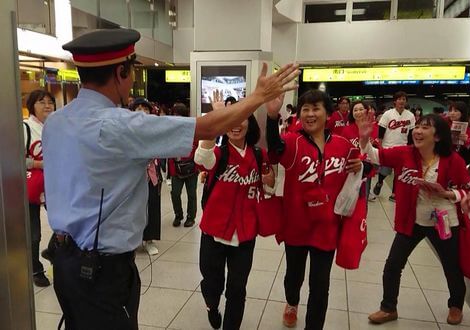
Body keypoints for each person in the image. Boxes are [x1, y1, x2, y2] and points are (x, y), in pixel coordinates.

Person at [42, 28, 300, 330]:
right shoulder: (119, 125)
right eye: (132, 71)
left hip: (64, 259)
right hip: (102, 269)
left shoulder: (56, 122)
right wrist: (258, 97)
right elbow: (205, 128)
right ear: (121, 72)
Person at [359, 113, 470, 326]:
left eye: (425, 128)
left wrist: (448, 194)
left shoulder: (452, 160)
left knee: (452, 266)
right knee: (393, 265)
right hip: (412, 220)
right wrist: (364, 139)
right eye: (417, 126)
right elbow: (375, 156)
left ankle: (456, 305)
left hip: (444, 221)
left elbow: (468, 190)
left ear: (437, 137)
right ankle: (388, 307)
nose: (418, 131)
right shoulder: (405, 153)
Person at [266, 89, 362, 329]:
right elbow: (275, 150)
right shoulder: (292, 140)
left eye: (315, 108)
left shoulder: (342, 145)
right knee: (293, 278)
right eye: (305, 109)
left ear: (328, 113)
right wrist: (271, 117)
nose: (310, 114)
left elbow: (361, 168)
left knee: (320, 286)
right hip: (296, 225)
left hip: (327, 227)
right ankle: (292, 302)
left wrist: (361, 164)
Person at [194, 93, 276, 330]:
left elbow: (269, 186)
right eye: (231, 119)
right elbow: (202, 158)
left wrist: (270, 180)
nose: (236, 124)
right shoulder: (220, 154)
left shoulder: (258, 154)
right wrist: (217, 117)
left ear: (249, 123)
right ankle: (211, 306)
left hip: (245, 233)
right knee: (212, 284)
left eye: (241, 118)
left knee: (237, 289)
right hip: (214, 232)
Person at [24, 89, 55, 287]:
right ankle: (35, 269)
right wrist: (38, 164)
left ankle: (52, 250)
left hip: (54, 184)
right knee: (34, 232)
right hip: (32, 185)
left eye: (50, 102)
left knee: (66, 223)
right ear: (32, 106)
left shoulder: (55, 127)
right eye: (41, 102)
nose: (47, 105)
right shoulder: (25, 127)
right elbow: (12, 157)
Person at [130, 98, 162, 255]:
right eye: (138, 109)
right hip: (133, 175)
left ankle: (149, 240)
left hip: (151, 173)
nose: (142, 112)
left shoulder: (155, 129)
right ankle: (133, 240)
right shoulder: (127, 130)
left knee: (152, 206)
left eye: (145, 109)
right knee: (134, 208)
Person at [372, 91, 415, 202]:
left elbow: (411, 133)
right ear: (395, 101)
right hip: (388, 147)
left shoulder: (410, 115)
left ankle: (394, 194)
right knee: (384, 171)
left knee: (399, 173)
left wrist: (410, 147)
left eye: (404, 99)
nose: (401, 101)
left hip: (403, 148)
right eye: (399, 99)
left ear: (406, 102)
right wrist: (380, 144)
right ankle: (380, 182)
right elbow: (381, 130)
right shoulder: (388, 114)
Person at [169, 103, 199, 228]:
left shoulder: (192, 128)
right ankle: (178, 215)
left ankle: (191, 217)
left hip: (191, 166)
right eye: (175, 115)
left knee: (191, 193)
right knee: (175, 193)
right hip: (176, 167)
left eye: (179, 115)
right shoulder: (169, 130)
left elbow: (197, 145)